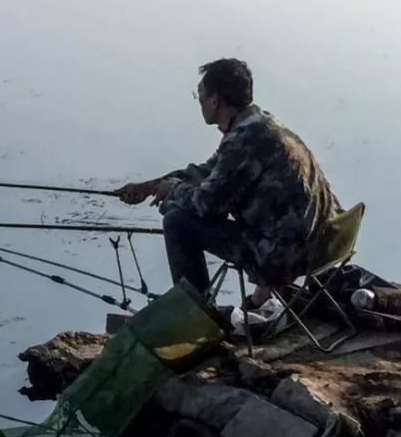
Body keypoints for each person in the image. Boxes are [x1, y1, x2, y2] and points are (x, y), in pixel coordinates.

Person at [115, 58, 341, 299]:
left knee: (177, 222)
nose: (198, 101)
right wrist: (151, 186)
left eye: (199, 94)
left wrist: (173, 191)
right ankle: (254, 300)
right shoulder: (259, 124)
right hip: (325, 242)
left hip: (286, 257)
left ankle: (195, 313)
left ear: (215, 100)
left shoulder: (242, 141)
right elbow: (207, 171)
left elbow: (208, 205)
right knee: (182, 206)